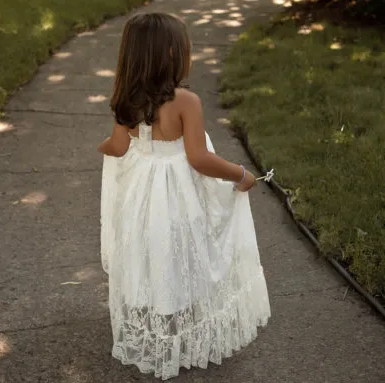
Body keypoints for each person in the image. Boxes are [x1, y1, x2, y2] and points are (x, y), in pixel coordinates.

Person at [98, 12, 270, 380]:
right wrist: (241, 175)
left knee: (149, 245)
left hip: (142, 193)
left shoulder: (126, 100)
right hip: (177, 192)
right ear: (172, 55)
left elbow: (116, 145)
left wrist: (102, 148)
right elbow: (198, 158)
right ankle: (180, 319)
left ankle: (154, 312)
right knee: (182, 241)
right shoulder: (185, 102)